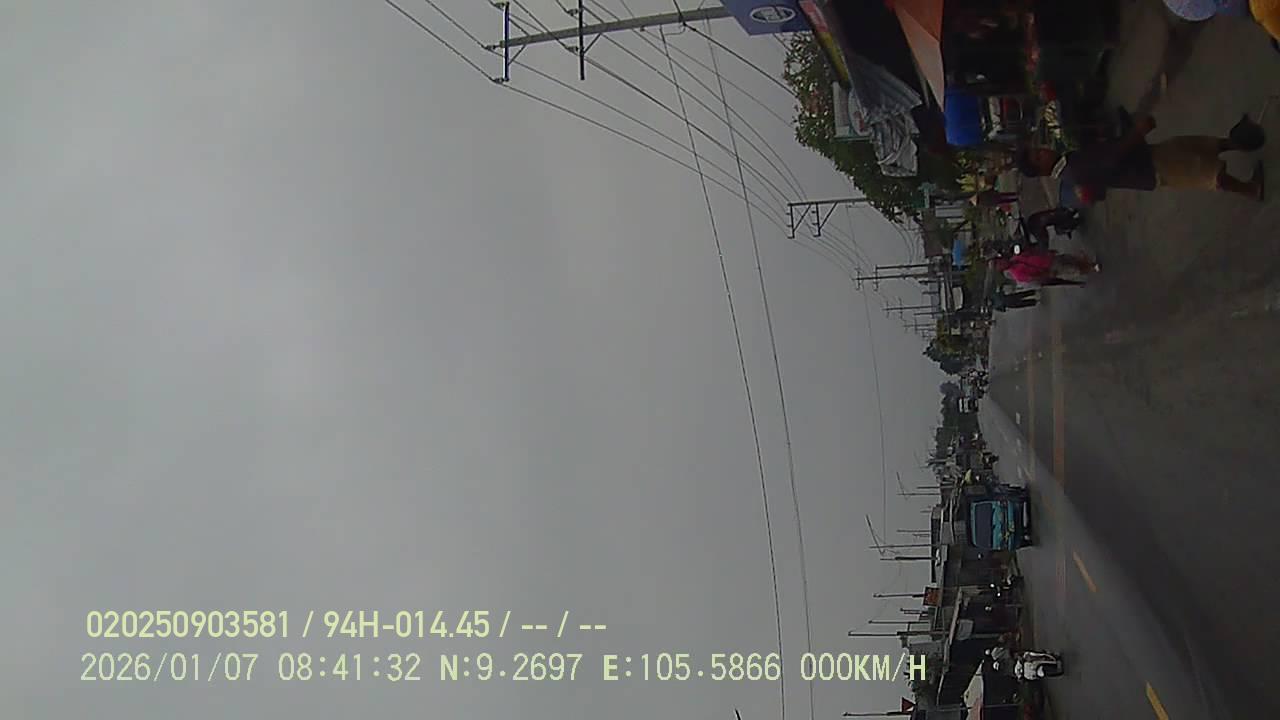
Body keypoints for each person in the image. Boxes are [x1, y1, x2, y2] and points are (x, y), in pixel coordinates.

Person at [1016, 113, 1266, 202]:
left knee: (1193, 146)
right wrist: (1137, 132)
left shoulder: (1069, 163)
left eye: (1039, 150)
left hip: (1145, 158)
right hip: (1149, 168)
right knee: (1202, 171)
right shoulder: (1073, 170)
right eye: (1039, 157)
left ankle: (1238, 143)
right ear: (1041, 170)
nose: (1044, 151)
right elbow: (1110, 160)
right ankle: (1250, 190)